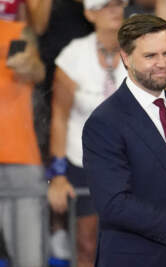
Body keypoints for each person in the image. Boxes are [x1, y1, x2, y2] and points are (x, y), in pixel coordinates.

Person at [82, 14, 166, 267]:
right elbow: (114, 204)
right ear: (125, 58)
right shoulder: (104, 122)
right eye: (150, 56)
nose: (161, 63)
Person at [46, 0, 127, 266]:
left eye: (119, 4)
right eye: (106, 6)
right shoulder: (73, 55)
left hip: (131, 160)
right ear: (89, 14)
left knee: (132, 241)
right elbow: (59, 117)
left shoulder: (139, 48)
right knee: (87, 243)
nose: (115, 10)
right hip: (84, 160)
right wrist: (57, 174)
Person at [0, 18, 46, 267]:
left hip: (18, 159)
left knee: (29, 261)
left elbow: (34, 70)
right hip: (20, 162)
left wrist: (27, 63)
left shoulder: (14, 33)